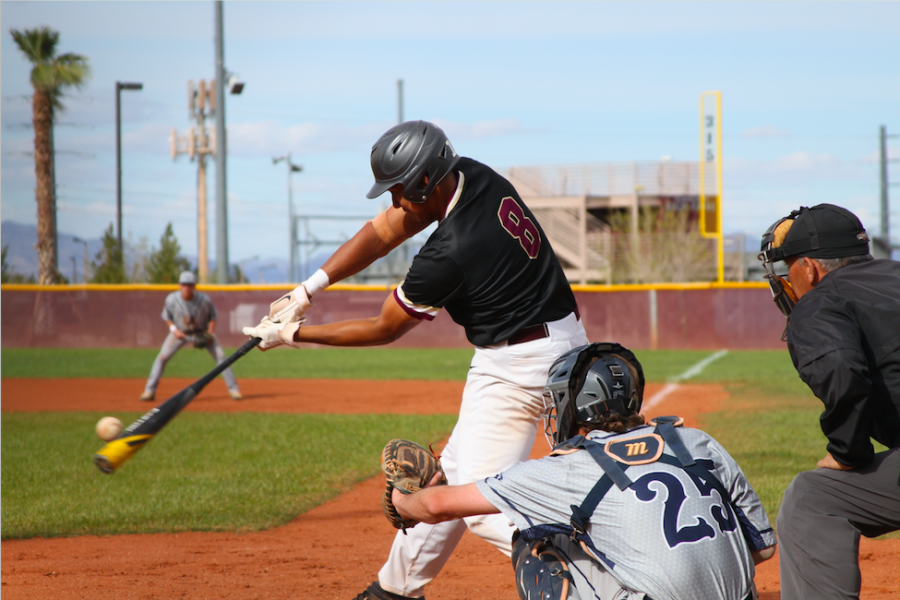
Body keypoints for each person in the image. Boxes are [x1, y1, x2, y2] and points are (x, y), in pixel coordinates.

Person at [242, 120, 589, 599]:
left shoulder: (450, 251)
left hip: (523, 366)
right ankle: (394, 589)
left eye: (399, 190)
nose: (394, 202)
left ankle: (588, 568)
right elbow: (383, 232)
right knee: (446, 474)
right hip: (545, 346)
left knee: (475, 501)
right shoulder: (474, 175)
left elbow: (384, 328)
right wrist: (308, 288)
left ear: (427, 181)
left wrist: (294, 334)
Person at [390, 342, 777, 600]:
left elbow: (440, 506)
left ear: (579, 405)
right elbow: (764, 547)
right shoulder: (696, 440)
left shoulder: (568, 469)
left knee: (536, 542)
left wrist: (401, 499)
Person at [758, 203, 900, 600]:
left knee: (812, 498)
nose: (787, 281)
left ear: (809, 269)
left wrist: (847, 451)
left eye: (788, 270)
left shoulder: (819, 301)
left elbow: (841, 368)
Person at [141, 271, 242, 401]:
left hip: (202, 332)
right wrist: (174, 330)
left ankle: (234, 389)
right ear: (179, 285)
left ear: (194, 286)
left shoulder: (204, 300)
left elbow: (213, 317)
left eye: (190, 285)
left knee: (221, 357)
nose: (187, 288)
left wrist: (210, 334)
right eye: (184, 284)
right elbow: (167, 317)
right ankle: (149, 391)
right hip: (180, 333)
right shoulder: (172, 299)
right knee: (162, 357)